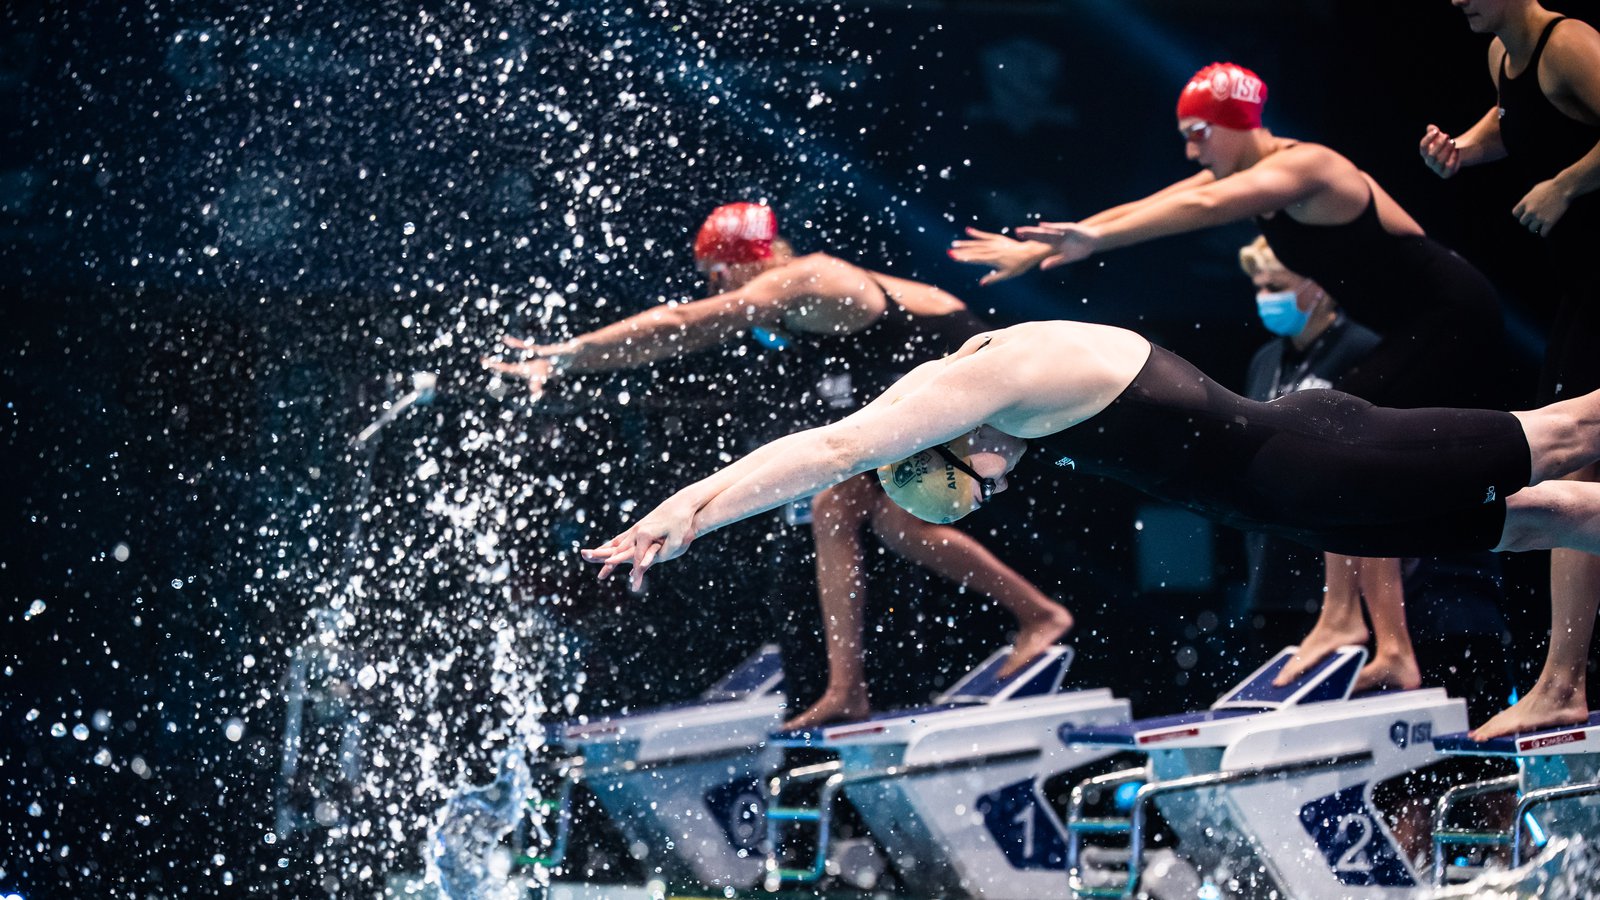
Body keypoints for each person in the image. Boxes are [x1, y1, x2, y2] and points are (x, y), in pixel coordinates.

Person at [581, 319, 1600, 740]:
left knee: (1568, 431)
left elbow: (827, 449)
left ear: (944, 447)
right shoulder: (992, 403)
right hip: (1314, 493)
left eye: (970, 489)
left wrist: (676, 521)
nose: (995, 487)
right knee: (1542, 521)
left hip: (1328, 464)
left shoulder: (987, 381)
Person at [948, 61, 1509, 685]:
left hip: (1451, 317)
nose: (1190, 148)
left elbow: (1209, 204)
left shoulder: (1308, 167)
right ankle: (1352, 623)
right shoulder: (1247, 169)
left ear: (1239, 124)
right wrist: (1054, 243)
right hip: (1409, 328)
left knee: (1344, 449)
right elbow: (1175, 196)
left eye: (1198, 132)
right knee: (1344, 454)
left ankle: (1375, 638)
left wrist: (1093, 243)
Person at [485, 202, 1072, 728]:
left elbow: (681, 325)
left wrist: (576, 353)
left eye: (715, 274)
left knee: (846, 509)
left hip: (961, 364)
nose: (713, 287)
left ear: (742, 261)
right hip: (929, 375)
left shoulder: (803, 280)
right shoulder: (792, 289)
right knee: (872, 517)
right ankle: (1016, 621)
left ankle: (862, 683)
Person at [1419, 0, 1600, 748]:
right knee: (1574, 461)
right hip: (1583, 292)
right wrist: (1466, 147)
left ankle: (1561, 684)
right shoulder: (1505, 55)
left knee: (1578, 464)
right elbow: (1516, 118)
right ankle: (1561, 680)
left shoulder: (1570, 47)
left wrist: (1567, 184)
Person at [1237, 238, 1514, 719]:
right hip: (1309, 566)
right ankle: (1362, 627)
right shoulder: (1268, 360)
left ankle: (1372, 633)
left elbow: (1380, 482)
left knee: (1353, 475)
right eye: (1257, 285)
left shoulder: (1377, 353)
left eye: (1274, 285)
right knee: (1347, 478)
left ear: (1319, 286)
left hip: (1430, 581)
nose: (1263, 296)